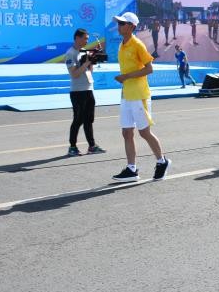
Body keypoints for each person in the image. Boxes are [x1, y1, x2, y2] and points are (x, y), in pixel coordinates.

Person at [111, 12, 171, 182]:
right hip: (126, 94)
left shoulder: (137, 44)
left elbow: (149, 69)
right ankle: (132, 169)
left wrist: (126, 77)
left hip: (139, 94)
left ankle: (162, 161)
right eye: (119, 23)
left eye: (122, 23)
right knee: (126, 132)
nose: (119, 26)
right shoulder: (123, 44)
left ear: (131, 26)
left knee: (144, 132)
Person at [64, 28, 105, 156]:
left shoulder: (84, 51)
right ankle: (72, 147)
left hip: (88, 90)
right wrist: (86, 62)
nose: (87, 41)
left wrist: (93, 58)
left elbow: (89, 71)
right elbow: (74, 74)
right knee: (78, 119)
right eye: (85, 38)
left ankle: (92, 146)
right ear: (77, 38)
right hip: (77, 92)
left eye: (88, 39)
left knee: (89, 119)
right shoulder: (70, 54)